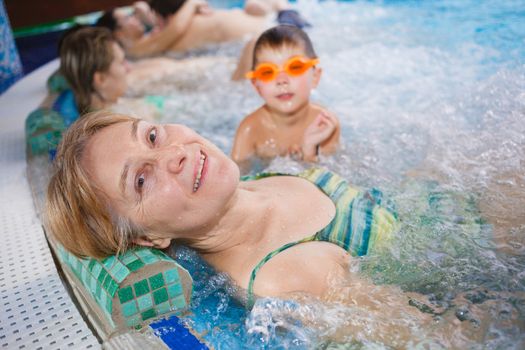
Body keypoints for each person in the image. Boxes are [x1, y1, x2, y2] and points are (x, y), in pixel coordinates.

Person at [47, 111, 473, 345]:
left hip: (441, 201)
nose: (175, 152)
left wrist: (318, 159)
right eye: (141, 179)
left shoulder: (240, 182)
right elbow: (445, 338)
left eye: (153, 136)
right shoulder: (287, 275)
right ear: (147, 239)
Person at [231, 25, 340, 165]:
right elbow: (238, 179)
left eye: (295, 67)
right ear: (256, 85)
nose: (282, 80)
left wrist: (309, 153)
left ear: (315, 77)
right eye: (267, 72)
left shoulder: (325, 124)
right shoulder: (250, 130)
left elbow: (329, 181)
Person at [58, 26, 215, 118]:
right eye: (121, 62)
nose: (128, 68)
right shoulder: (130, 117)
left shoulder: (95, 110)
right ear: (101, 79)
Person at [96, 0, 303, 58]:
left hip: (276, 36)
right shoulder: (136, 49)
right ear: (118, 33)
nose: (135, 19)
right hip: (282, 29)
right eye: (127, 19)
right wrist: (192, 3)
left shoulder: (163, 38)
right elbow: (174, 28)